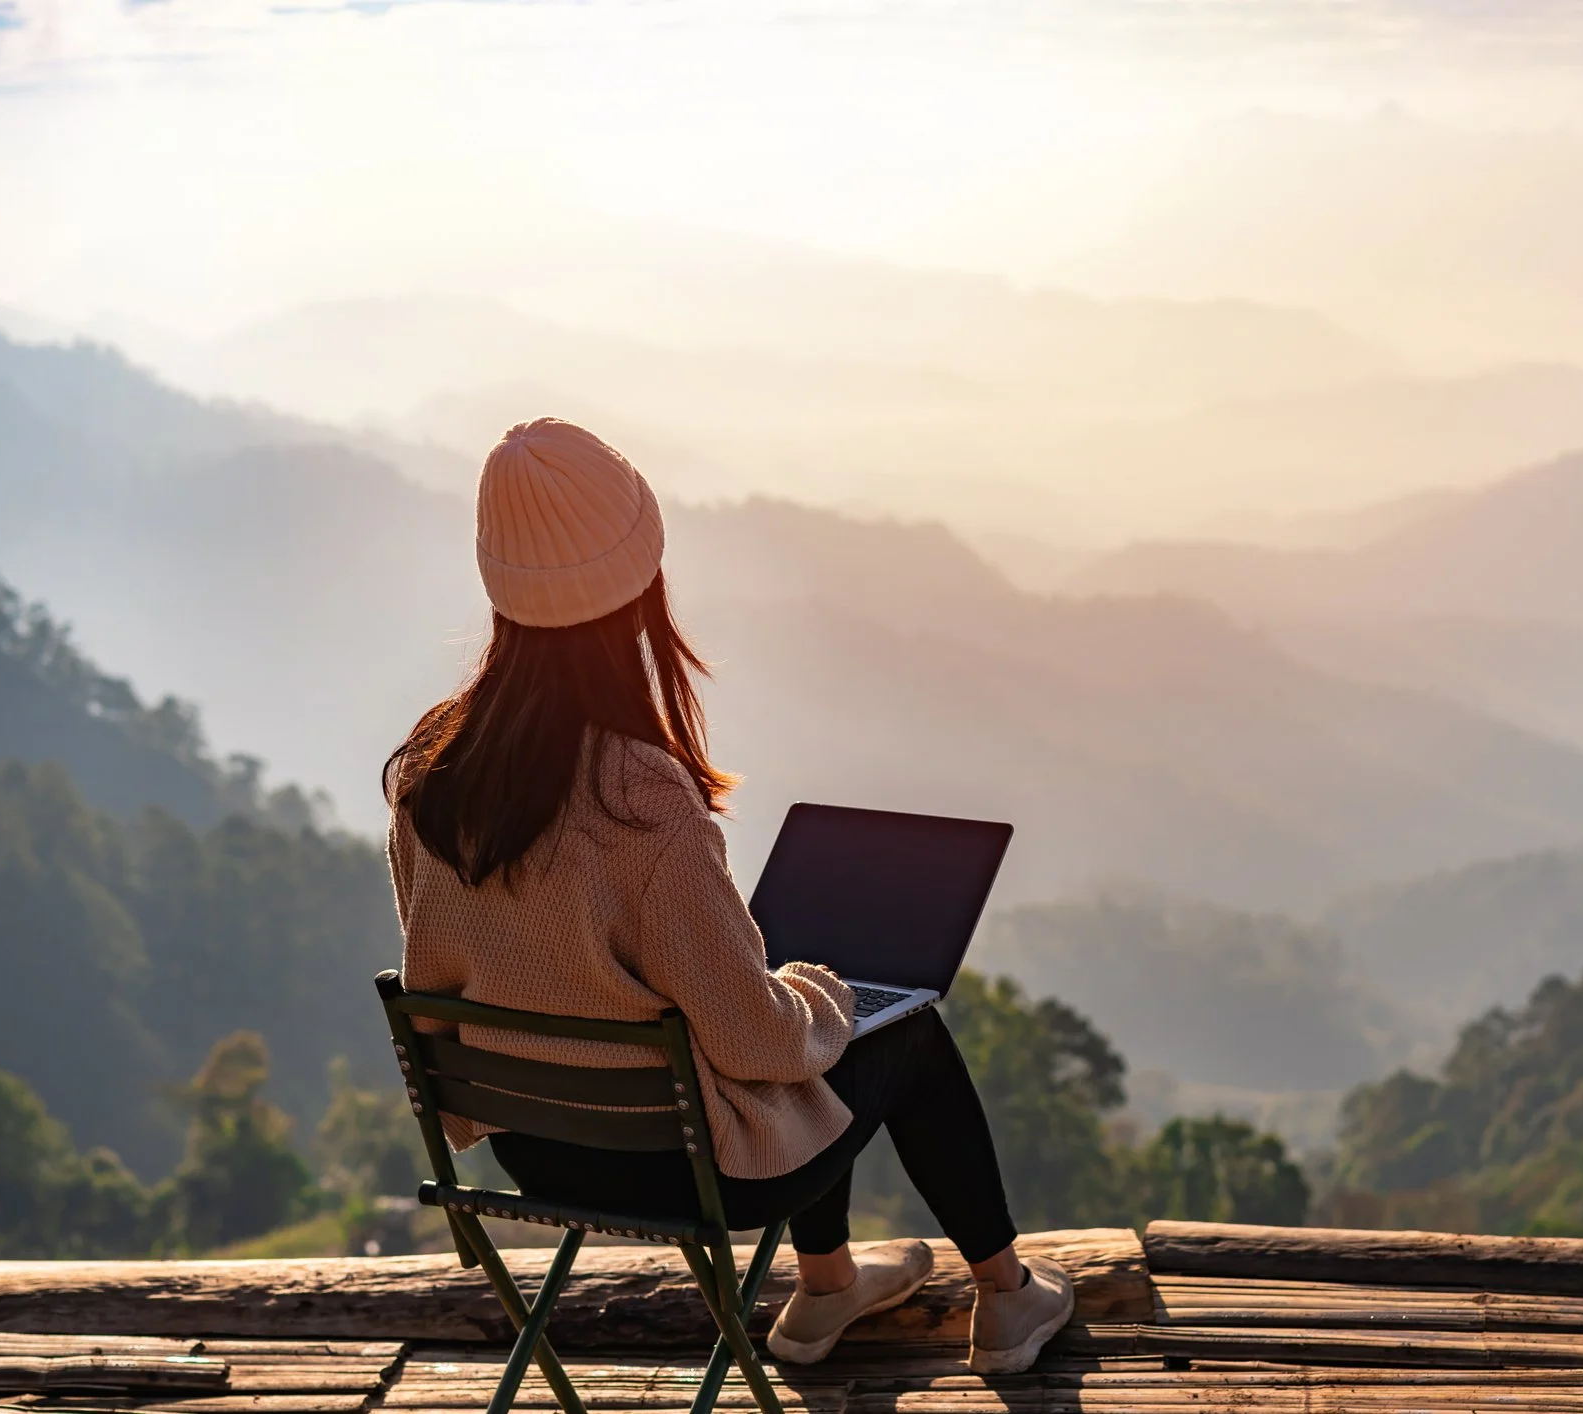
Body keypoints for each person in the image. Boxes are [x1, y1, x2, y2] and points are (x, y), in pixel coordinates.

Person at [382, 418, 1074, 1374]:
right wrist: (818, 995)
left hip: (533, 1152)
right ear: (640, 585)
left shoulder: (433, 775)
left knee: (804, 1023)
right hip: (688, 1169)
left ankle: (827, 1287)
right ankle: (1007, 1298)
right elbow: (754, 1043)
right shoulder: (639, 797)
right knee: (894, 1030)